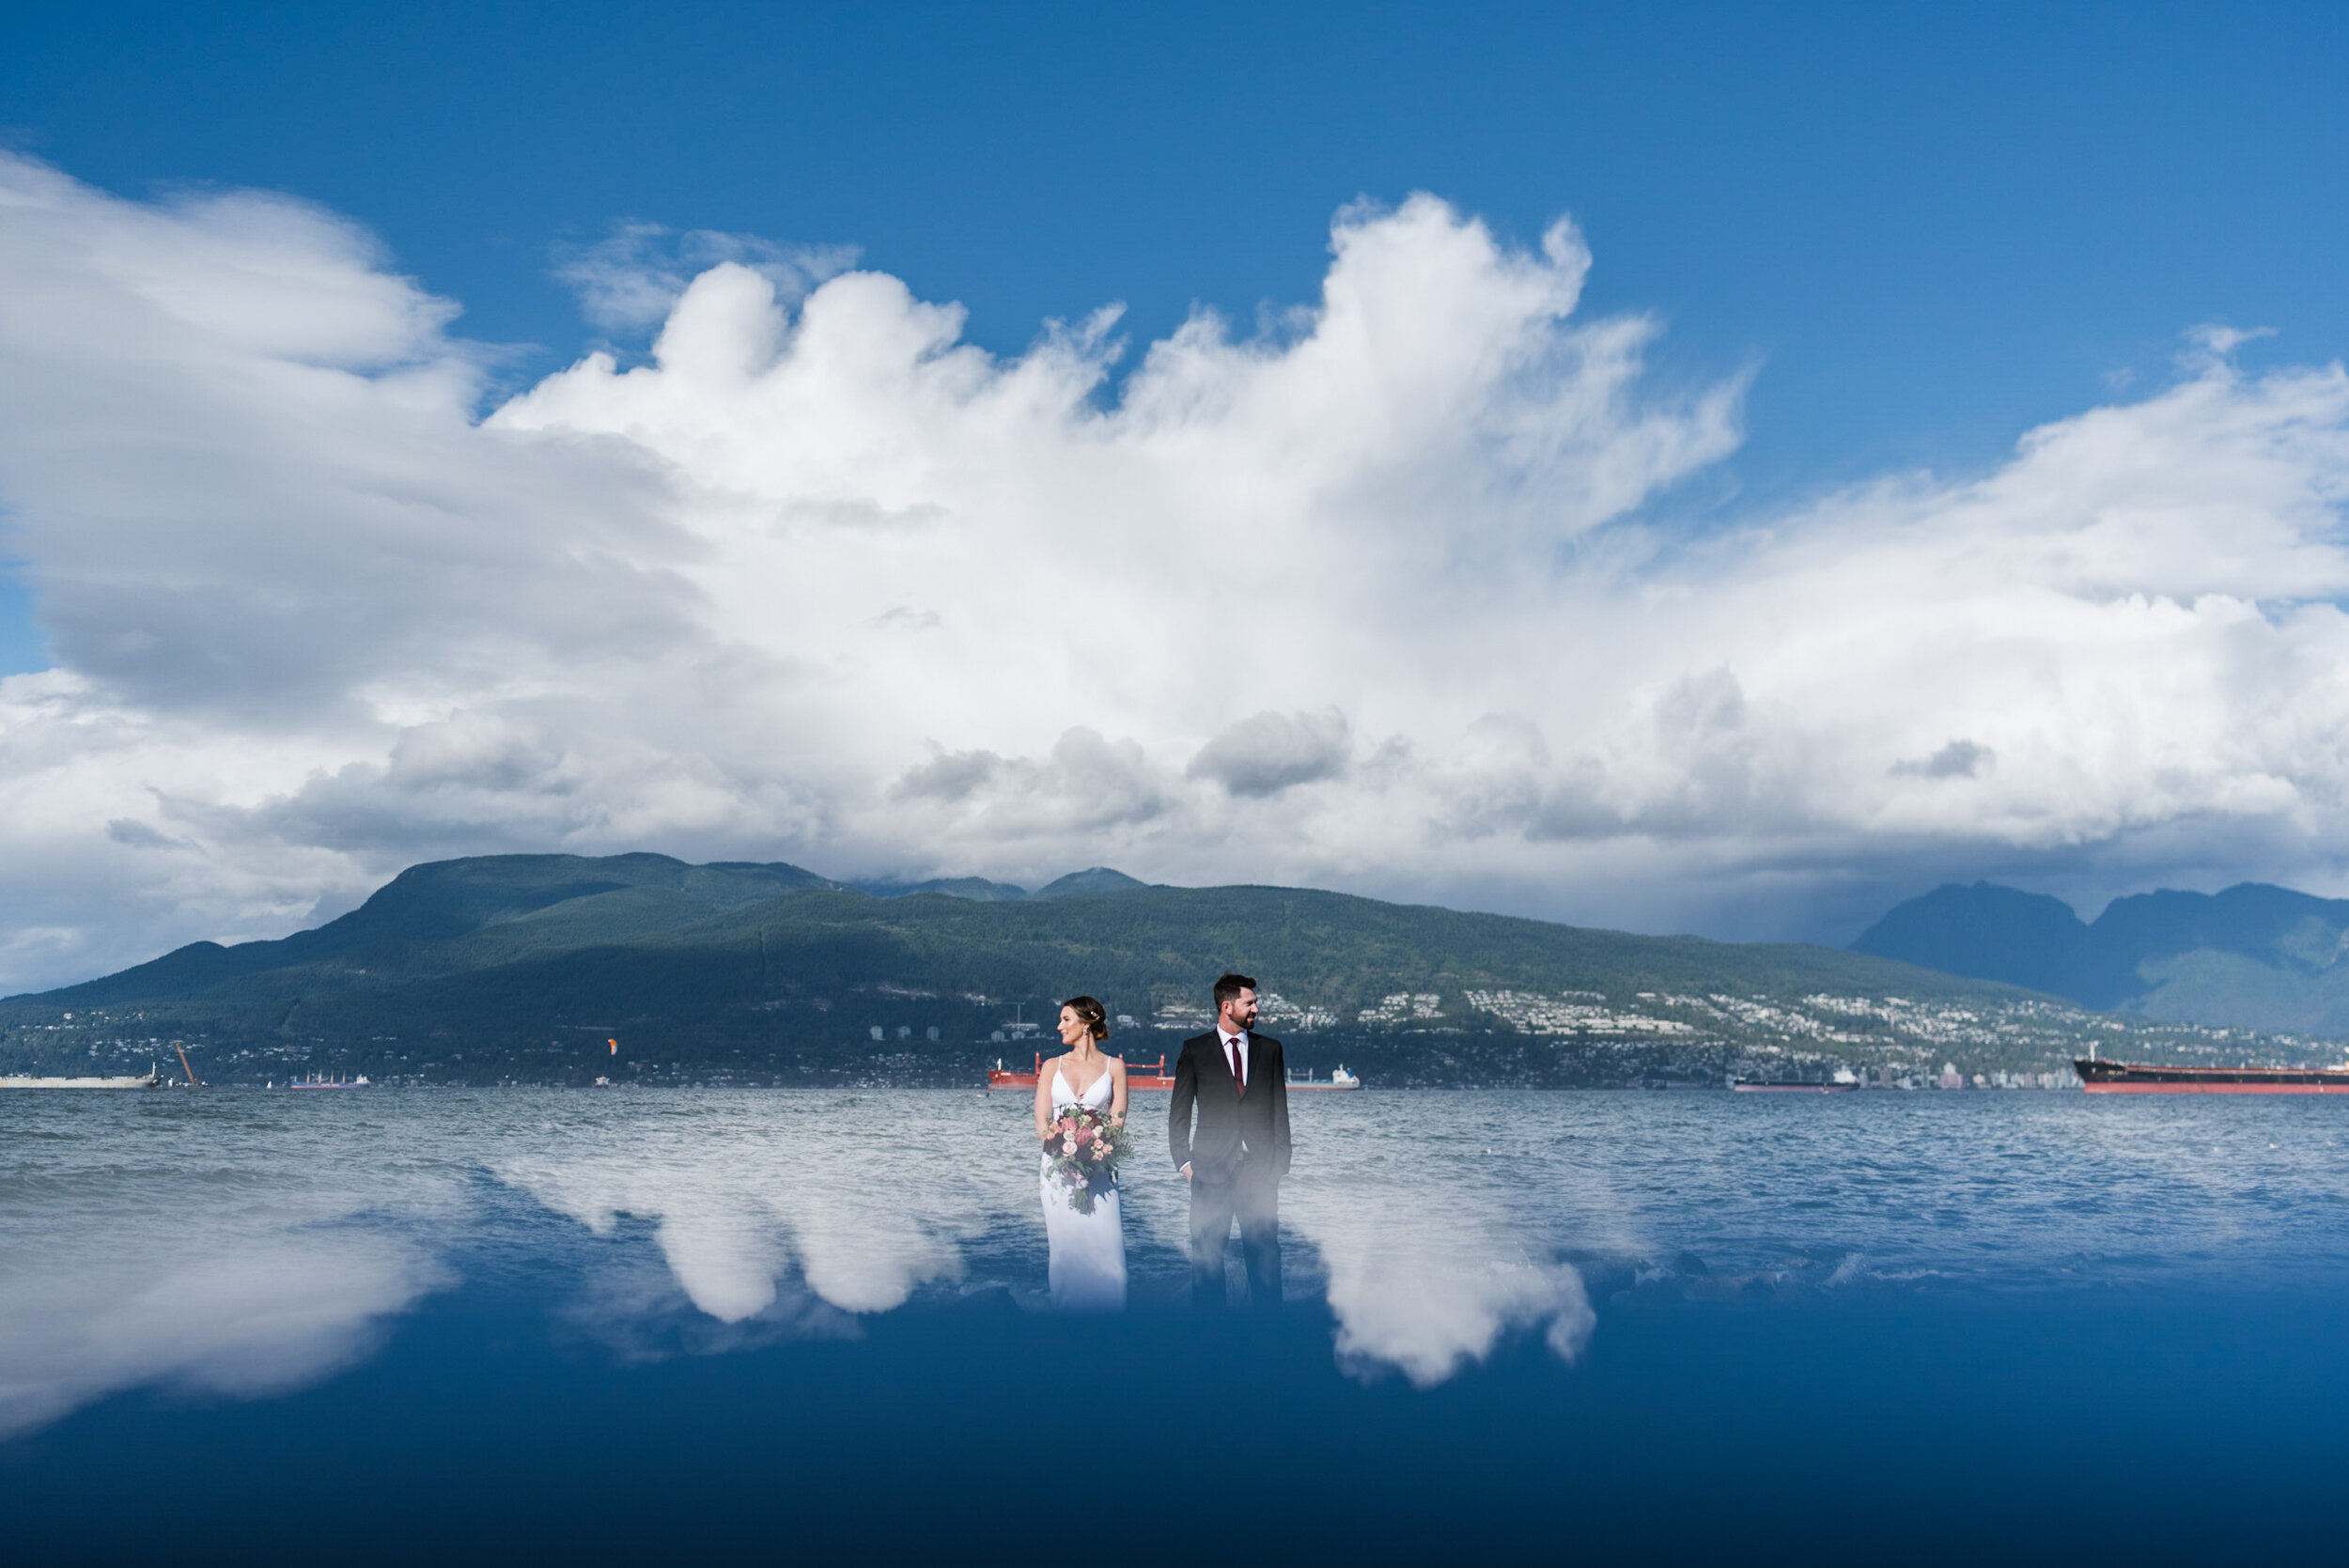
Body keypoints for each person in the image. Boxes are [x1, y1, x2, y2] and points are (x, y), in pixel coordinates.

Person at [1167, 971, 1291, 1309]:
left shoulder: (1271, 1050)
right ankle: (1211, 1343)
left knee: (1265, 1258)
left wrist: (1279, 1166)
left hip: (1259, 1173)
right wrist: (1185, 1163)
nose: (1256, 1009)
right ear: (1227, 1006)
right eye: (1249, 1003)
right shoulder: (1194, 1050)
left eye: (1255, 1003)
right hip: (1208, 1172)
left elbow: (1280, 1110)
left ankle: (1269, 1340)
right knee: (1207, 1258)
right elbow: (1179, 1112)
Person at [1034, 995, 1128, 1310]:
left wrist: (1096, 1157)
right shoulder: (1051, 1067)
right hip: (1057, 1170)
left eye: (1066, 1020)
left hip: (1100, 1170)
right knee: (1065, 1248)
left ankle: (1112, 1316)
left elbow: (1117, 1122)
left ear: (1086, 1023)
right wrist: (1064, 1158)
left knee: (1108, 1245)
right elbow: (1042, 1121)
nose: (1058, 1026)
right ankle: (1065, 1318)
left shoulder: (1115, 1067)